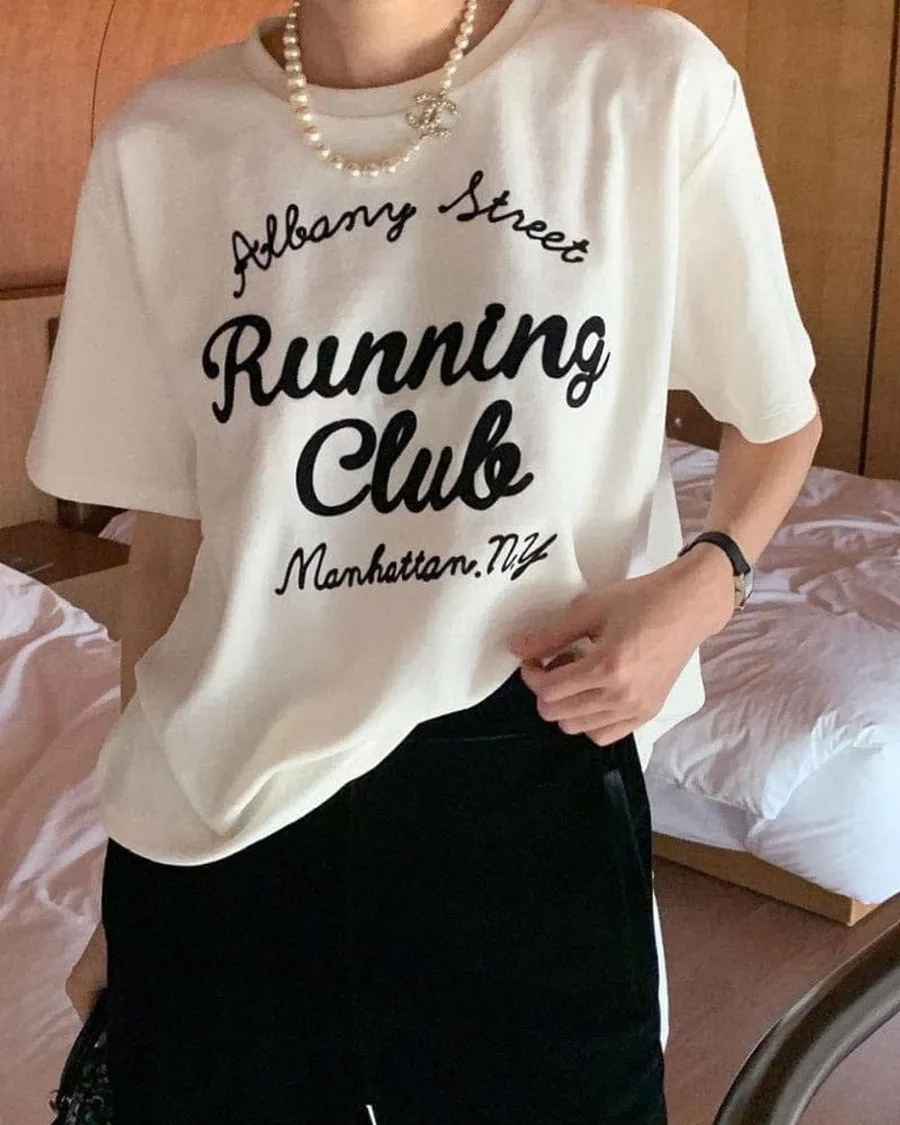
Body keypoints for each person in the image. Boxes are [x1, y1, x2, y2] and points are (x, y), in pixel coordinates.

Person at [27, 0, 822, 1121]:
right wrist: (132, 859)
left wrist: (705, 584)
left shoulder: (641, 84)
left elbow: (779, 418)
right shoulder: (163, 143)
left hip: (524, 784)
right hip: (220, 823)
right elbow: (168, 546)